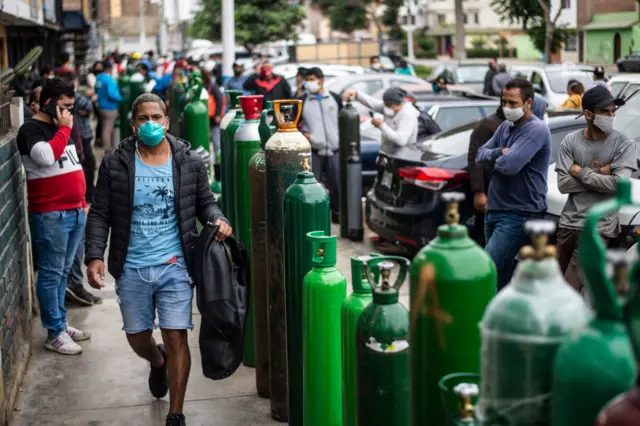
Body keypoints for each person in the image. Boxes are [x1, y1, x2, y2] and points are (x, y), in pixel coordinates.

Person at [85, 93, 231, 426]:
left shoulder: (189, 161)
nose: (150, 124)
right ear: (133, 124)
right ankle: (156, 360)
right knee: (137, 336)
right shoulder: (115, 163)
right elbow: (100, 211)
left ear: (167, 121)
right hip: (132, 265)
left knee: (176, 334)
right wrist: (95, 254)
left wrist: (217, 218)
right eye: (143, 118)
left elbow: (205, 203)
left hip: (175, 264)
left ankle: (176, 413)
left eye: (156, 117)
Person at [16, 77, 90, 355]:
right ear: (48, 103)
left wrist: (81, 202)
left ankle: (60, 323)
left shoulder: (59, 127)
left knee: (61, 275)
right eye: (65, 106)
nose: (69, 112)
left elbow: (69, 163)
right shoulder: (31, 129)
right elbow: (46, 158)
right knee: (50, 273)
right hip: (51, 215)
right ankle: (54, 333)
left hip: (72, 211)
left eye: (71, 106)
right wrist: (64, 130)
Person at [555, 86, 636, 292]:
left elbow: (619, 184)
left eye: (613, 111)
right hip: (568, 222)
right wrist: (603, 170)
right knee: (553, 282)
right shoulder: (570, 141)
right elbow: (563, 185)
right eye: (605, 112)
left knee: (569, 287)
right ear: (588, 114)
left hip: (598, 228)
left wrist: (581, 172)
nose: (611, 116)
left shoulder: (623, 144)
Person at [476, 78, 551, 290]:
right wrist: (499, 152)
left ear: (528, 103)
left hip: (519, 213)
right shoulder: (504, 127)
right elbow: (479, 156)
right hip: (495, 208)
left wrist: (499, 159)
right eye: (504, 102)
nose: (507, 107)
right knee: (501, 273)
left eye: (513, 103)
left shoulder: (536, 129)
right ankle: (499, 317)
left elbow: (510, 166)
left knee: (486, 266)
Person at [298, 67, 343, 223]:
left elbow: (342, 121)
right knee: (313, 187)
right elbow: (294, 124)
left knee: (336, 185)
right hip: (314, 151)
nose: (309, 83)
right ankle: (314, 219)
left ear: (321, 80)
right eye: (307, 80)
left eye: (312, 79)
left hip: (334, 150)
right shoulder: (303, 101)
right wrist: (304, 135)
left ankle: (337, 215)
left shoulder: (335, 99)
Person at [342, 86, 419, 155]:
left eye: (389, 105)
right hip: (387, 155)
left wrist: (381, 125)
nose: (386, 108)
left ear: (398, 103)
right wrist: (356, 94)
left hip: (402, 159)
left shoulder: (408, 114)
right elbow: (372, 103)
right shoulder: (391, 107)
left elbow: (401, 140)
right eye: (385, 104)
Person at [95, 61, 123, 153]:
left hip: (101, 106)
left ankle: (107, 148)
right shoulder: (110, 80)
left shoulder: (99, 78)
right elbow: (112, 94)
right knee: (107, 129)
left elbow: (96, 89)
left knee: (104, 127)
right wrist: (122, 99)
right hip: (110, 107)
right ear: (110, 69)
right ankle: (108, 150)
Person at [203, 70, 225, 163]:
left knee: (216, 142)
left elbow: (220, 99)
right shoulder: (204, 87)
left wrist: (218, 115)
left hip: (212, 118)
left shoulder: (212, 86)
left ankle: (218, 161)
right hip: (206, 118)